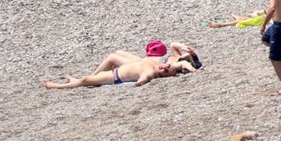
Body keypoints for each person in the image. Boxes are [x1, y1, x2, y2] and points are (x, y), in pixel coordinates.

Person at [42, 55, 195, 89]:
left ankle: (55, 86)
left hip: (114, 76)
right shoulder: (157, 63)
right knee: (86, 79)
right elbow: (182, 62)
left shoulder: (150, 71)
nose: (166, 67)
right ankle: (73, 80)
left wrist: (142, 81)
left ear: (162, 75)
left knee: (85, 80)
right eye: (168, 66)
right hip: (116, 70)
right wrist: (191, 69)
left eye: (166, 71)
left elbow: (143, 79)